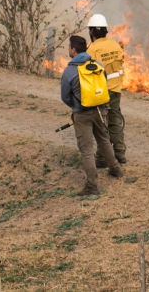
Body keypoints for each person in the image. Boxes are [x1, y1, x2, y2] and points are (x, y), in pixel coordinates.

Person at [59, 35, 122, 196]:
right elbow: (104, 83)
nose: (68, 50)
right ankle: (116, 170)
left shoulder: (70, 71)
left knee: (86, 150)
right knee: (104, 140)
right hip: (100, 111)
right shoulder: (98, 64)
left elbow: (65, 96)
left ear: (73, 49)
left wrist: (76, 106)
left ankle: (92, 186)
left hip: (82, 114)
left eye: (69, 47)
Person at [85, 14, 127, 168]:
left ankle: (102, 159)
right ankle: (120, 154)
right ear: (105, 31)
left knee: (102, 125)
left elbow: (87, 73)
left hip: (102, 92)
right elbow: (121, 65)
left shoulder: (93, 50)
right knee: (115, 120)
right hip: (116, 90)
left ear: (91, 32)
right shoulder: (116, 45)